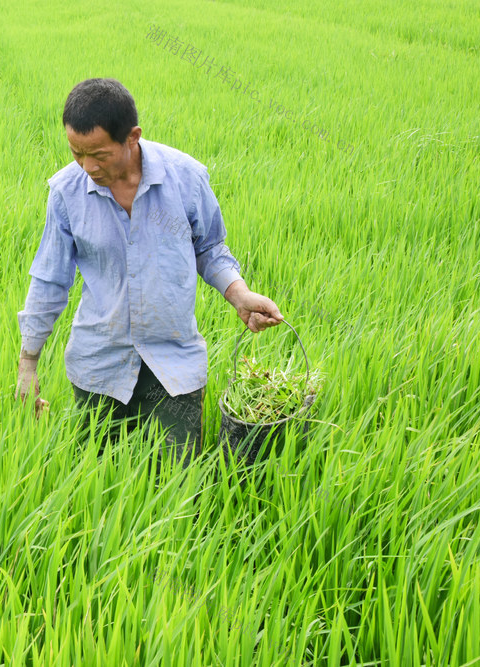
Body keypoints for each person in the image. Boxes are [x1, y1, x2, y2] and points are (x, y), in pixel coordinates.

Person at [14, 78, 283, 471]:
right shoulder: (67, 193)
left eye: (99, 155)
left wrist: (240, 295)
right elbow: (50, 280)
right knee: (101, 486)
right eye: (76, 153)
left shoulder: (185, 179)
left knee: (177, 486)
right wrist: (28, 363)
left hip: (172, 364)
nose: (88, 167)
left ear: (132, 138)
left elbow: (208, 248)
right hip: (99, 365)